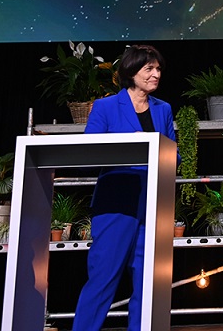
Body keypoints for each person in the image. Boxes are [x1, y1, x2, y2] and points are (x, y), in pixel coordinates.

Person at [73, 44, 177, 331]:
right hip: (116, 201)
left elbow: (174, 154)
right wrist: (131, 143)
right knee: (103, 276)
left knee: (147, 282)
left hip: (153, 203)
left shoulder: (163, 109)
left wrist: (163, 152)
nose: (156, 74)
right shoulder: (105, 107)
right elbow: (89, 152)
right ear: (131, 72)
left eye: (158, 69)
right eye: (149, 69)